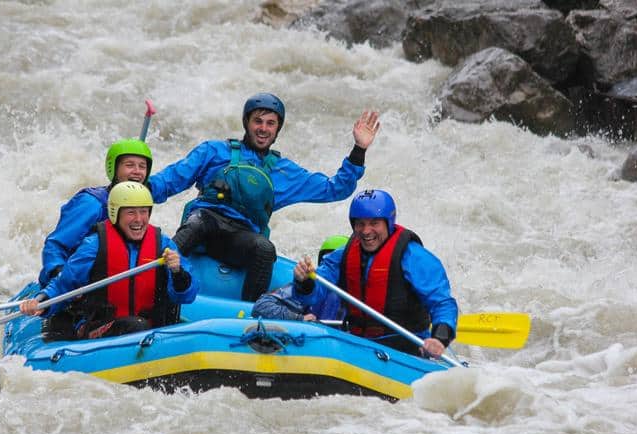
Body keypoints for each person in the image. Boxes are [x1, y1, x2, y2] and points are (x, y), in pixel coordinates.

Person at [148, 92, 380, 301]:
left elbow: (335, 188)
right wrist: (142, 189)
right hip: (205, 223)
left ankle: (252, 316)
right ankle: (156, 293)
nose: (263, 128)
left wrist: (359, 150)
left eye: (270, 123)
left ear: (277, 129)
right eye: (257, 121)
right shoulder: (215, 151)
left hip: (240, 238)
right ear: (246, 123)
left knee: (265, 249)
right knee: (195, 226)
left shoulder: (283, 171)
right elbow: (172, 178)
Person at [21, 181, 198, 341]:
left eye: (144, 212)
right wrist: (41, 301)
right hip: (102, 328)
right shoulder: (94, 245)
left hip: (151, 331)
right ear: (115, 213)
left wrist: (178, 273)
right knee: (137, 326)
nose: (138, 219)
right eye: (131, 212)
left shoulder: (164, 245)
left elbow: (187, 295)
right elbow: (64, 285)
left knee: (149, 326)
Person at [291, 190, 458, 359]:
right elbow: (314, 293)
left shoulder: (414, 257)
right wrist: (304, 282)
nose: (366, 231)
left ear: (388, 222)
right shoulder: (344, 255)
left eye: (374, 223)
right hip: (359, 343)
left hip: (404, 347)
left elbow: (442, 303)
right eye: (360, 224)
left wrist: (440, 338)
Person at [38, 138, 154, 287]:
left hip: (108, 283)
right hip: (73, 283)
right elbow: (56, 245)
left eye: (142, 166)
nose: (137, 172)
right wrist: (59, 275)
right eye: (129, 165)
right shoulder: (91, 203)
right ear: (114, 168)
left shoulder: (140, 202)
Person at [251, 235, 349, 322]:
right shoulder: (307, 289)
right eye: (326, 262)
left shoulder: (356, 295)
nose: (331, 268)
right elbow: (261, 306)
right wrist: (297, 318)